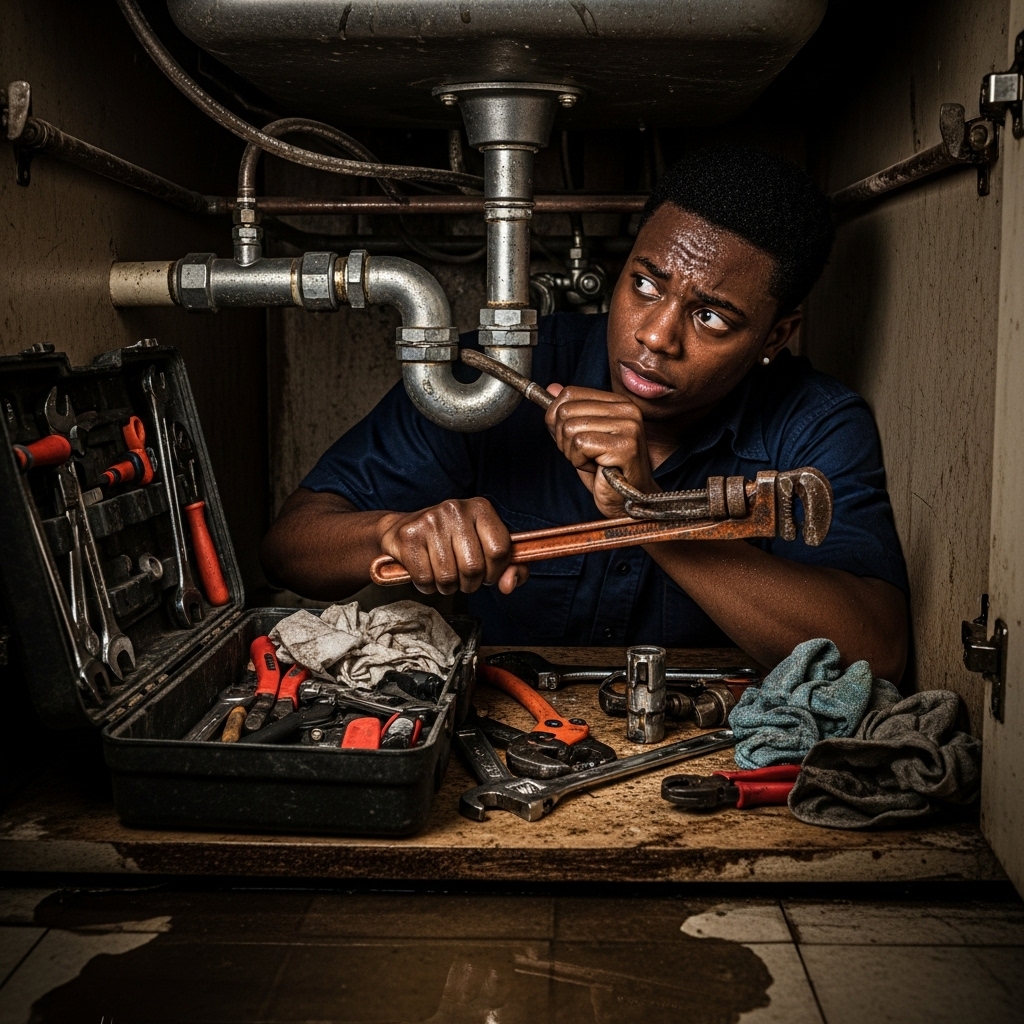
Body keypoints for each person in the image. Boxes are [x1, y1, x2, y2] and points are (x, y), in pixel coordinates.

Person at [261, 146, 909, 680]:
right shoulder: (495, 377)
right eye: (646, 285)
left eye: (710, 316)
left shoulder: (817, 423)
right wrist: (396, 534)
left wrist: (646, 511)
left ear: (775, 336)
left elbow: (877, 652)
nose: (656, 336)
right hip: (506, 717)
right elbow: (289, 549)